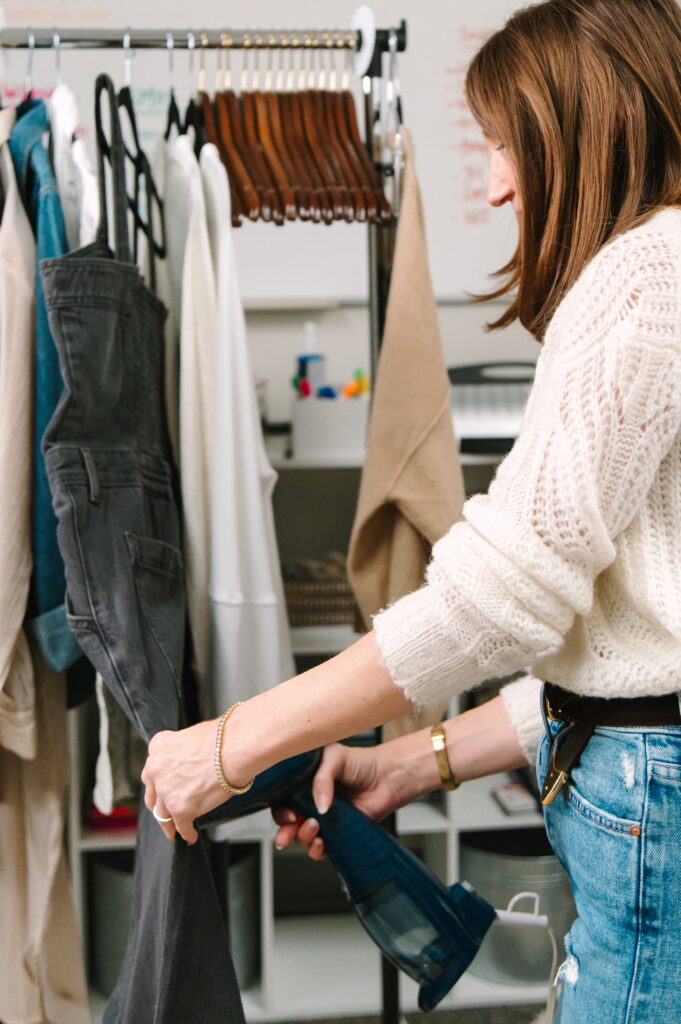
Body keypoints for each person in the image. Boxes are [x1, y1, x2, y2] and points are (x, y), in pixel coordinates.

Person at [142, 1, 681, 1019]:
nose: (496, 183)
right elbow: (633, 664)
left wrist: (228, 746)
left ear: (589, 124)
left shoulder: (642, 280)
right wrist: (409, 760)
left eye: (506, 146)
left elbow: (499, 599)